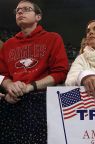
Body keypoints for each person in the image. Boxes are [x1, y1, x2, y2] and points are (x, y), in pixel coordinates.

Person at [0, 0, 69, 143]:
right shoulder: (8, 45)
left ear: (38, 16)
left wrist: (29, 87)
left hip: (42, 102)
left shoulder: (53, 38)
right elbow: (2, 75)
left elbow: (60, 72)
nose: (20, 12)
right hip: (13, 102)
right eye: (17, 10)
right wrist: (9, 86)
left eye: (26, 9)